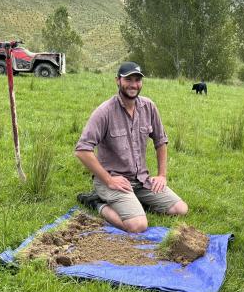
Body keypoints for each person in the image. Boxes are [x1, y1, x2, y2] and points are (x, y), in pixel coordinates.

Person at [74, 61, 188, 233]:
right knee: (138, 226)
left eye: (137, 80)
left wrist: (162, 175)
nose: (133, 85)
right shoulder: (105, 111)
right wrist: (108, 180)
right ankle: (96, 202)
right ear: (118, 81)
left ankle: (133, 203)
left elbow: (161, 141)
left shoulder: (148, 107)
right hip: (113, 181)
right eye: (128, 80)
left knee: (180, 209)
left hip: (141, 180)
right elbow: (82, 150)